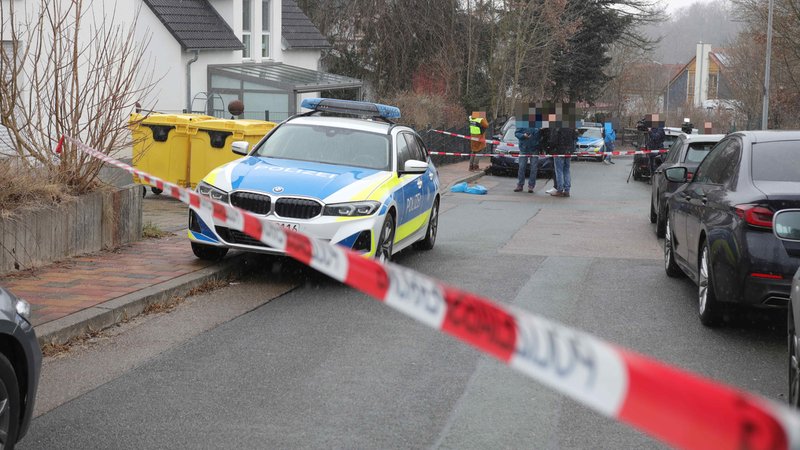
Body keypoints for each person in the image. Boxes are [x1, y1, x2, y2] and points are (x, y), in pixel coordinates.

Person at [549, 124, 576, 197]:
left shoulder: (557, 127)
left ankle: (560, 189)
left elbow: (553, 140)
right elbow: (574, 138)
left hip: (559, 151)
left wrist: (551, 149)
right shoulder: (571, 127)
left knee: (559, 171)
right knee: (566, 170)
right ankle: (567, 190)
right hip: (568, 151)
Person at [513, 126, 540, 192]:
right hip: (524, 148)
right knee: (522, 167)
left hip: (534, 148)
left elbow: (541, 135)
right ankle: (520, 185)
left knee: (533, 168)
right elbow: (516, 133)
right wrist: (523, 135)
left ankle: (531, 186)